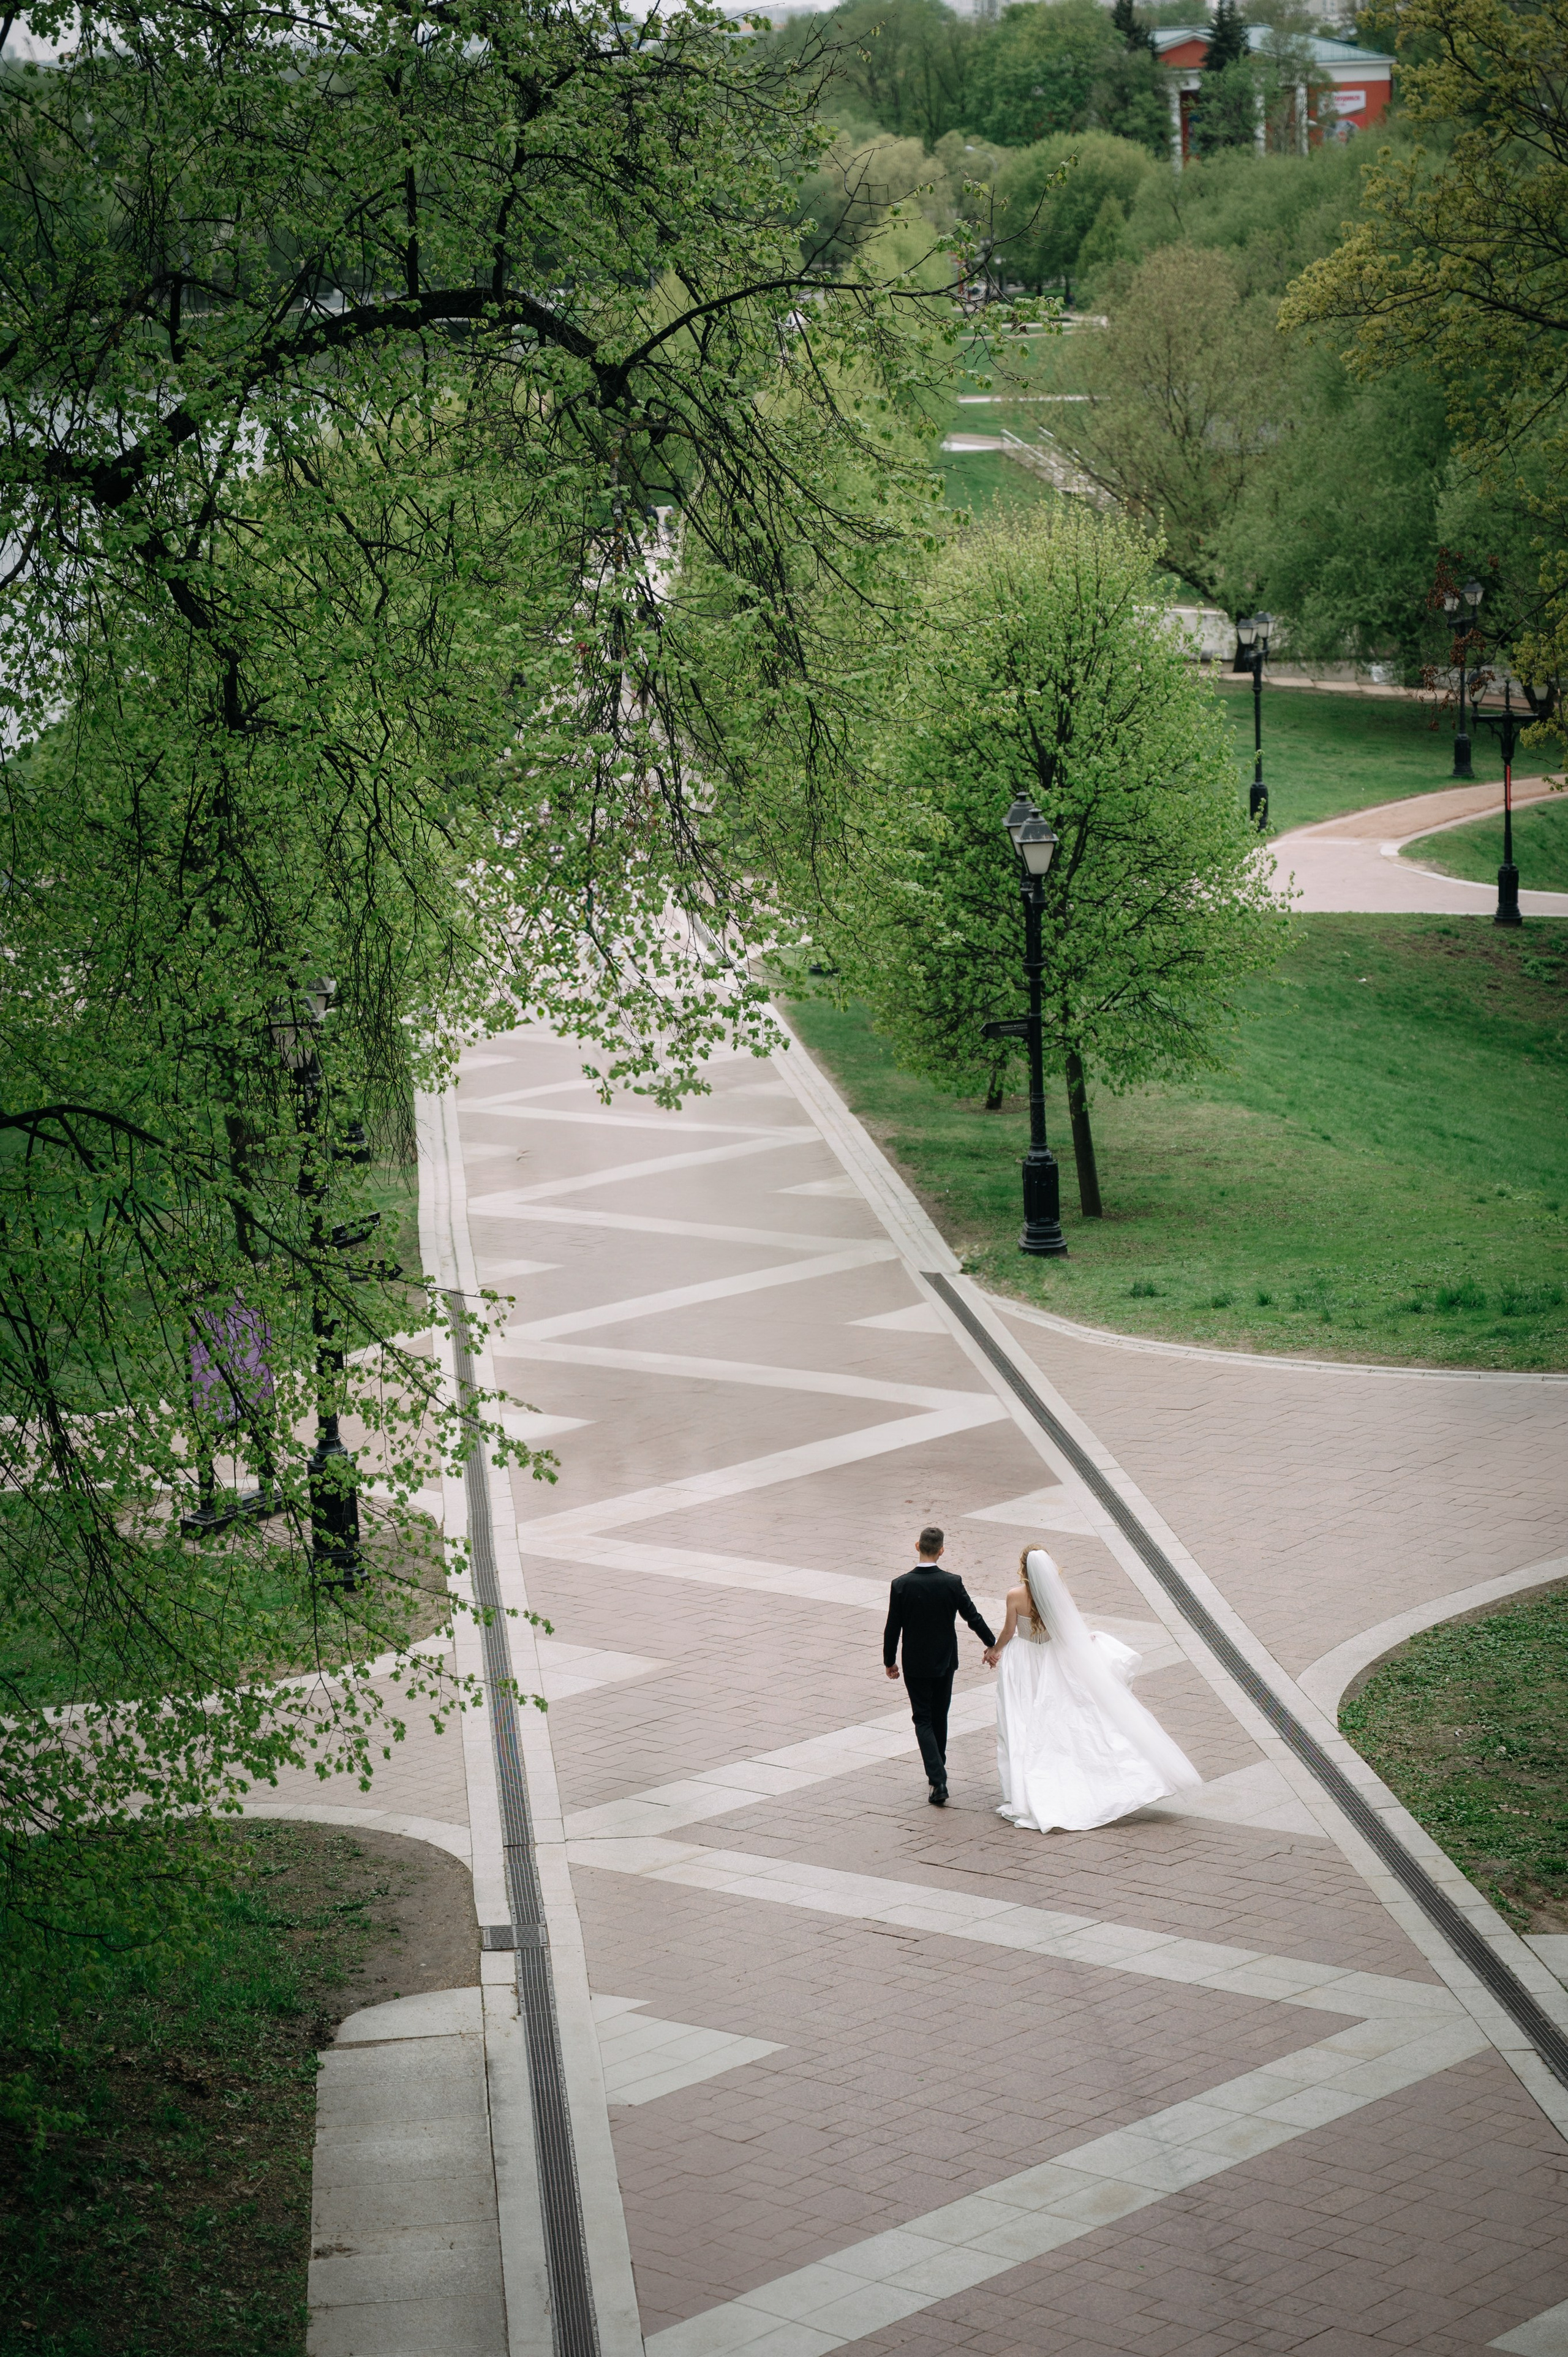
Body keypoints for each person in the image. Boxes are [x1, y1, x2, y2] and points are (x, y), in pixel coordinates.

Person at [985, 1546, 1201, 1832]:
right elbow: (1067, 1628)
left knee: (1021, 1718)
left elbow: (1008, 1631)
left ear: (1023, 1567)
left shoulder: (1015, 1595)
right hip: (1053, 1658)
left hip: (1024, 1661)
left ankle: (1025, 1786)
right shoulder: (1058, 1592)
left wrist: (995, 1650)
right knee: (1062, 1716)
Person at [884, 1525, 995, 1806]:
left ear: (917, 1546)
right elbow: (973, 1617)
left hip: (915, 1662)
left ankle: (938, 1778)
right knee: (940, 1716)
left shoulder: (901, 1585)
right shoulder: (952, 1582)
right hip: (945, 1661)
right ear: (942, 1550)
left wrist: (890, 1661)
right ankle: (938, 1773)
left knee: (922, 1719)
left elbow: (893, 1626)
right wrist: (992, 1644)